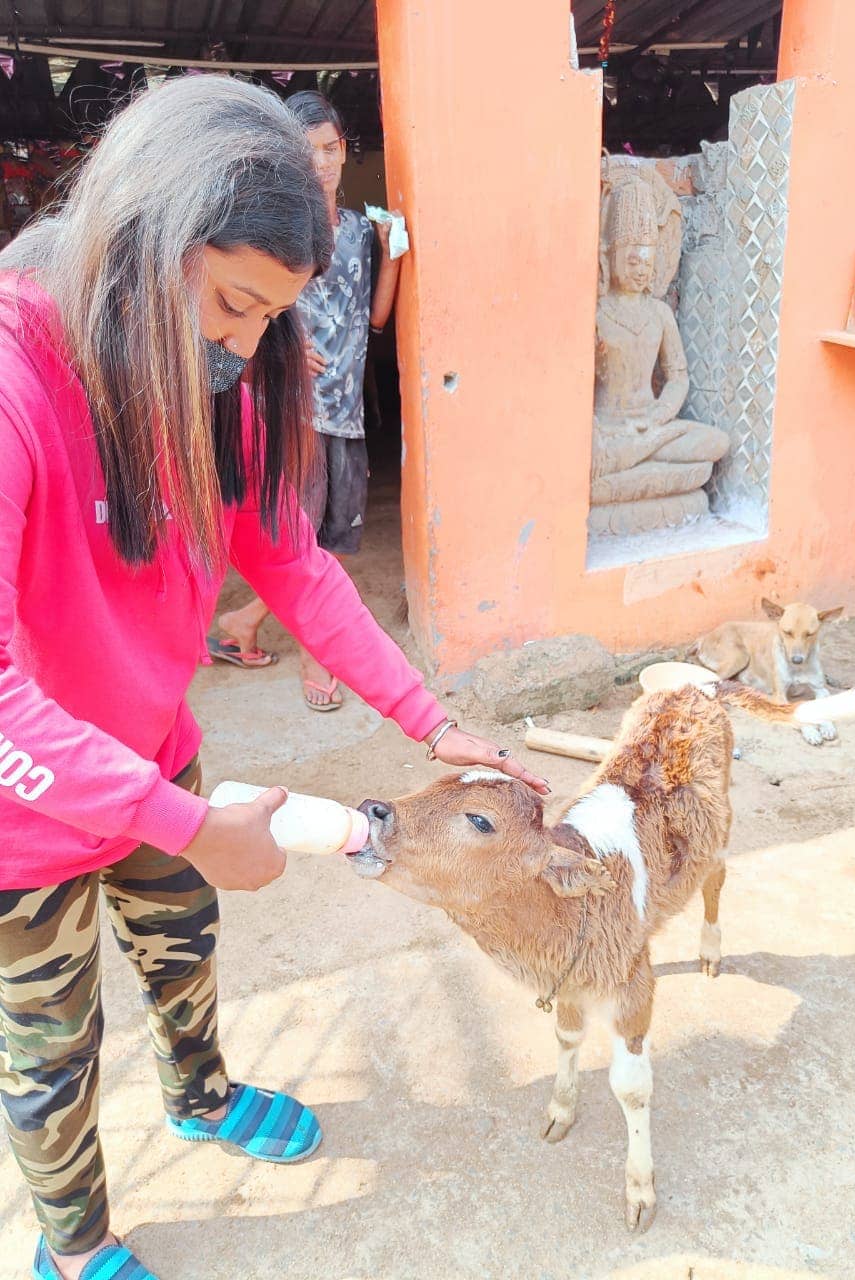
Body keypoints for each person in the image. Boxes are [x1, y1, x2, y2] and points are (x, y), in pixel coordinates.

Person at [0, 75, 547, 1280]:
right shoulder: (14, 380)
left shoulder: (224, 379)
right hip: (23, 815)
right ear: (144, 235)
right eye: (234, 303)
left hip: (151, 752)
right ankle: (75, 1240)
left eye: (267, 318)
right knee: (50, 1048)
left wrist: (432, 718)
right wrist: (185, 820)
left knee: (182, 941)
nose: (242, 346)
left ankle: (198, 1094)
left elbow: (293, 567)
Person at [209, 90, 397, 711]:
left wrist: (395, 251)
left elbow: (375, 318)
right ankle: (319, 650)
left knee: (336, 531)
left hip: (343, 408)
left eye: (330, 148)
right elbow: (241, 312)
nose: (320, 162)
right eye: (307, 149)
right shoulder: (268, 232)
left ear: (345, 151)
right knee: (300, 533)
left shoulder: (357, 233)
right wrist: (276, 357)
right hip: (289, 410)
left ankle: (243, 622)